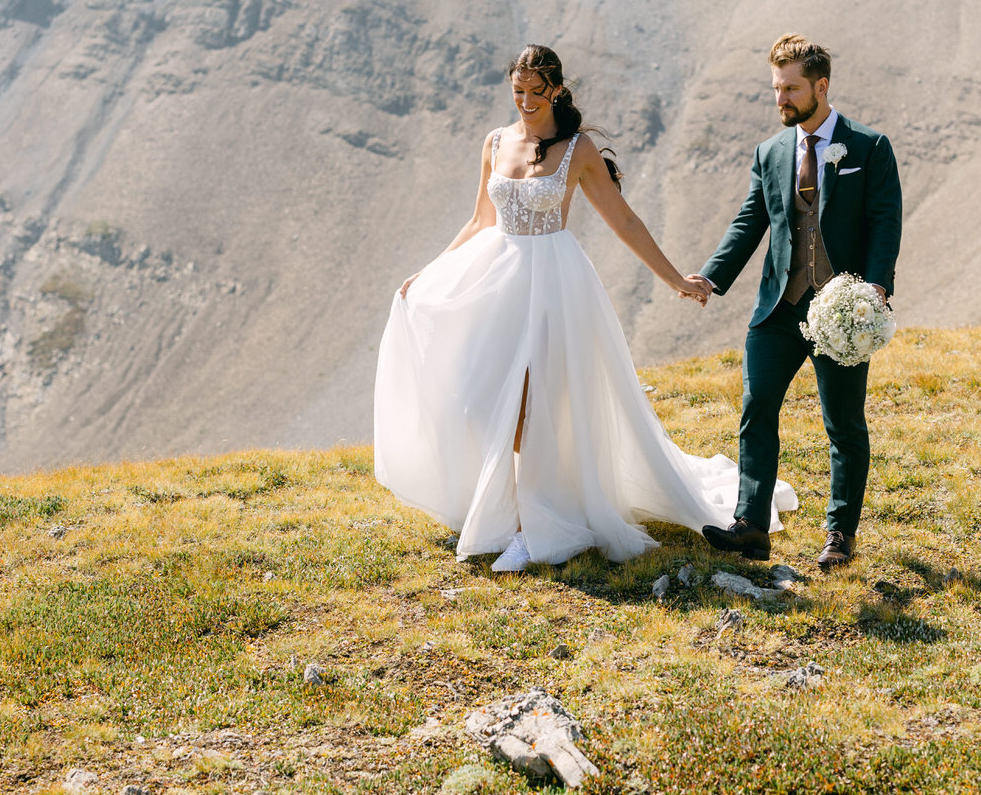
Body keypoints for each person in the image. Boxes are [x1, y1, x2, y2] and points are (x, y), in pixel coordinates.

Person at [374, 44, 796, 572]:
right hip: (495, 285)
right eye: (517, 92)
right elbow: (481, 219)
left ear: (555, 90)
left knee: (533, 410)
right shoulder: (495, 142)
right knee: (481, 402)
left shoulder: (578, 151)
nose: (525, 102)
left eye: (535, 92)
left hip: (553, 287)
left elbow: (624, 222)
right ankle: (503, 510)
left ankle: (534, 527)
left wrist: (674, 280)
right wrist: (429, 270)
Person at [688, 34, 902, 568]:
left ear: (821, 87)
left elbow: (884, 222)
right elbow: (749, 222)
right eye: (776, 87)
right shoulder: (771, 151)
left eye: (791, 88)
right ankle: (751, 526)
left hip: (842, 312)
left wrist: (873, 290)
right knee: (757, 407)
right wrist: (712, 279)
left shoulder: (869, 147)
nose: (780, 98)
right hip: (778, 308)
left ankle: (839, 535)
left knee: (843, 424)